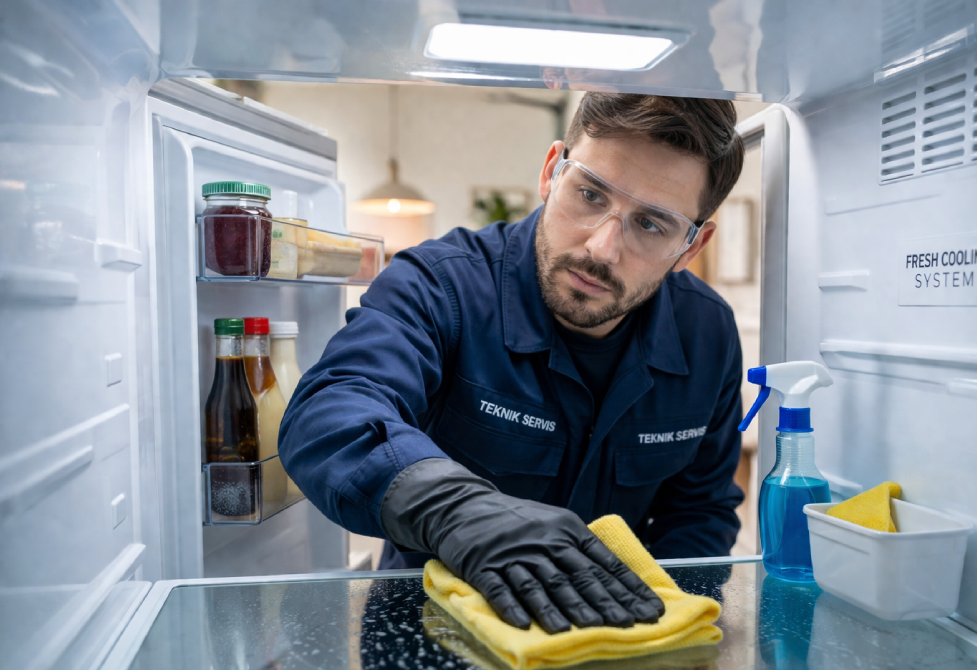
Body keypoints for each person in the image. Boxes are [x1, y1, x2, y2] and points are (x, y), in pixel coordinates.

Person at [281, 92, 746, 635]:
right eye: (591, 194)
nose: (601, 247)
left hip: (619, 641)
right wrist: (457, 510)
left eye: (651, 225)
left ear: (692, 245)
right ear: (553, 172)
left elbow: (699, 511)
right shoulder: (441, 285)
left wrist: (667, 629)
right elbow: (328, 412)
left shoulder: (706, 333)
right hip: (434, 638)